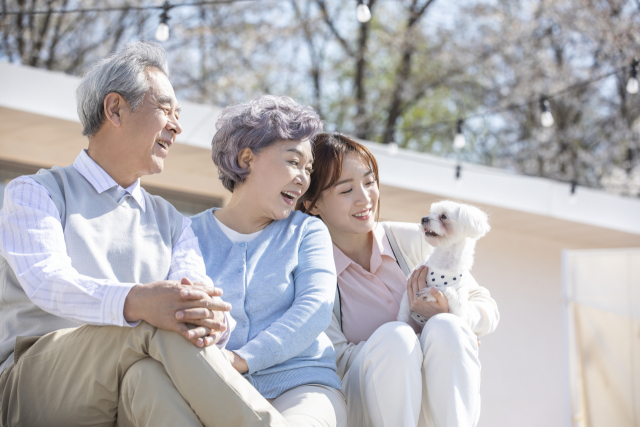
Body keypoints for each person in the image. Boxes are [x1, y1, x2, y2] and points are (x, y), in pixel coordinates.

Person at [0, 41, 288, 427]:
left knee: (148, 377)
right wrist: (139, 302)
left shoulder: (172, 221)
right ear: (115, 109)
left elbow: (191, 296)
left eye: (179, 113)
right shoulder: (34, 193)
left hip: (129, 370)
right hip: (32, 381)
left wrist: (214, 321)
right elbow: (48, 283)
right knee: (158, 327)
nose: (177, 125)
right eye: (165, 109)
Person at [297, 133, 500, 427]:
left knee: (447, 327)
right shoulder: (312, 270)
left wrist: (451, 315)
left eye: (369, 182)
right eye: (346, 190)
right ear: (312, 204)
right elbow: (335, 361)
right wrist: (408, 338)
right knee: (396, 337)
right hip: (366, 407)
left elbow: (486, 309)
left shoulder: (416, 240)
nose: (365, 198)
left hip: (432, 406)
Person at [190, 95, 347, 427]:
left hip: (302, 386)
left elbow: (316, 307)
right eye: (293, 161)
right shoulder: (189, 234)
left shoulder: (307, 232)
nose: (304, 178)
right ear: (247, 158)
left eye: (308, 169)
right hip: (216, 388)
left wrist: (242, 359)